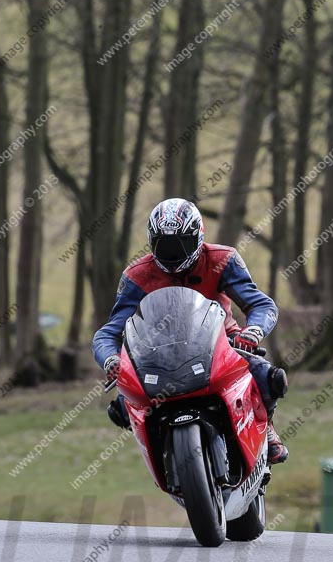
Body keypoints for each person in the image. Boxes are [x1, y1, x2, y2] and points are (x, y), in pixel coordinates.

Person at [92, 197, 289, 464]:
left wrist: (252, 331)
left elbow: (261, 305)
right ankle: (162, 454)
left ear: (197, 236)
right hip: (157, 357)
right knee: (120, 410)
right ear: (151, 242)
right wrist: (112, 360)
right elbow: (107, 334)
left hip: (222, 344)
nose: (173, 255)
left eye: (181, 244)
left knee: (270, 377)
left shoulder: (223, 259)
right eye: (165, 246)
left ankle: (266, 431)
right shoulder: (137, 275)